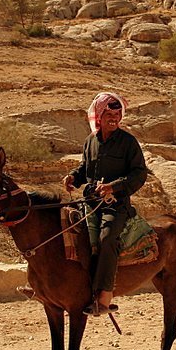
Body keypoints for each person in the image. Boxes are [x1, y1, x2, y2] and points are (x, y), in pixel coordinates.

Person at [63, 92, 148, 316]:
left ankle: (104, 298)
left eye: (117, 113)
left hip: (114, 204)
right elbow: (85, 169)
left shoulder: (128, 142)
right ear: (99, 115)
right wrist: (73, 177)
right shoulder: (90, 141)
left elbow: (139, 174)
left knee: (107, 238)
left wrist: (114, 186)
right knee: (62, 229)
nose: (114, 117)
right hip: (89, 201)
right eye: (109, 113)